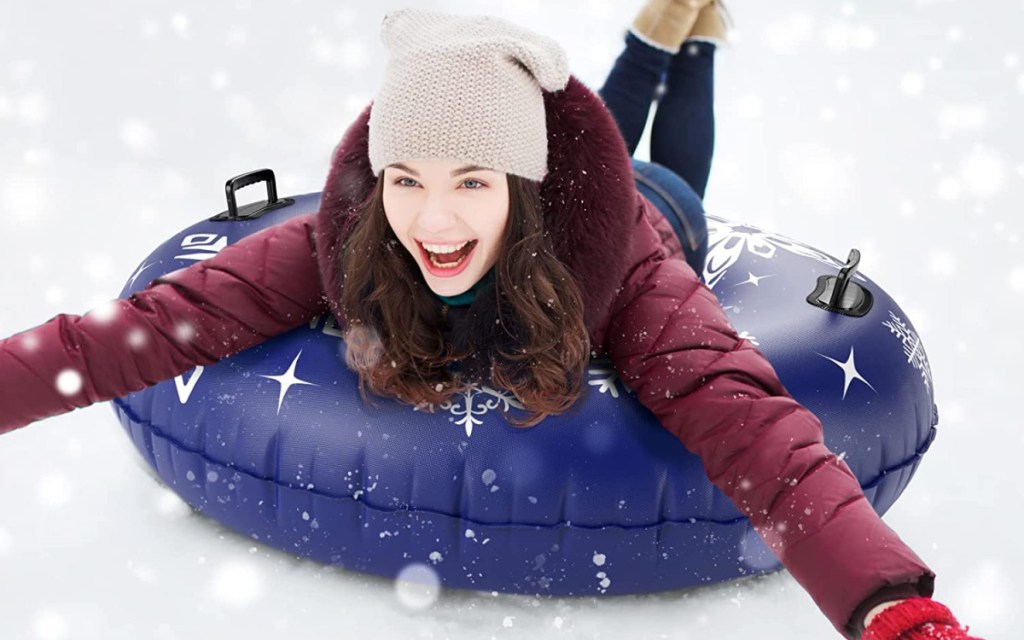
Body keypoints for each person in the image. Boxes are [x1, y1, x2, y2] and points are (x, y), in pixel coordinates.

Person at [0, 5, 982, 640]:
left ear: (520, 183)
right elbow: (148, 330)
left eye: (472, 182)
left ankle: (680, 44)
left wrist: (890, 605)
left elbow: (747, 419)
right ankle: (666, 37)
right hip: (559, 168)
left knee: (671, 170)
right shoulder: (342, 233)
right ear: (376, 176)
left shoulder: (627, 265)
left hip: (653, 209)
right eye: (407, 180)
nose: (432, 219)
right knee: (594, 123)